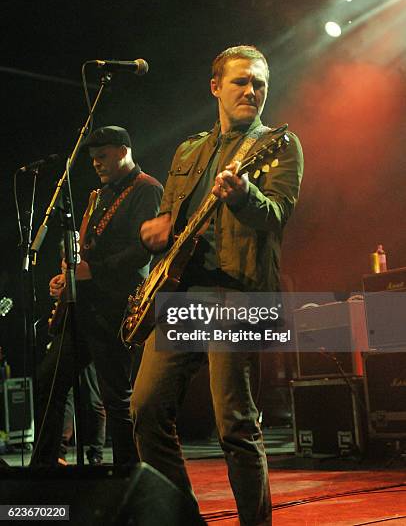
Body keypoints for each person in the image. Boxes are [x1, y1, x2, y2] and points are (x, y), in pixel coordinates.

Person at [131, 46, 304, 525]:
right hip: (182, 296)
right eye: (241, 82)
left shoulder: (279, 145)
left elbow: (276, 217)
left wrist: (244, 194)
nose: (252, 91)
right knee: (145, 409)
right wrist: (154, 234)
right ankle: (184, 518)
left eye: (260, 84)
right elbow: (169, 224)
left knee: (235, 424)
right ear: (215, 87)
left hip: (239, 293)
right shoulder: (188, 150)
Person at [31, 125, 163, 467]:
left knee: (115, 397)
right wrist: (68, 278)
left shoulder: (147, 189)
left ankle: (127, 473)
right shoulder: (97, 196)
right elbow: (87, 252)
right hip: (85, 307)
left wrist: (95, 271)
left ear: (123, 150)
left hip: (116, 308)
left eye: (102, 157)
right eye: (92, 160)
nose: (96, 164)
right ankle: (45, 465)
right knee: (48, 378)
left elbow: (143, 252)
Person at [58, 362, 106, 466]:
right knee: (66, 399)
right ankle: (59, 452)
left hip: (91, 350)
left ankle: (96, 453)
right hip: (67, 348)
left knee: (94, 403)